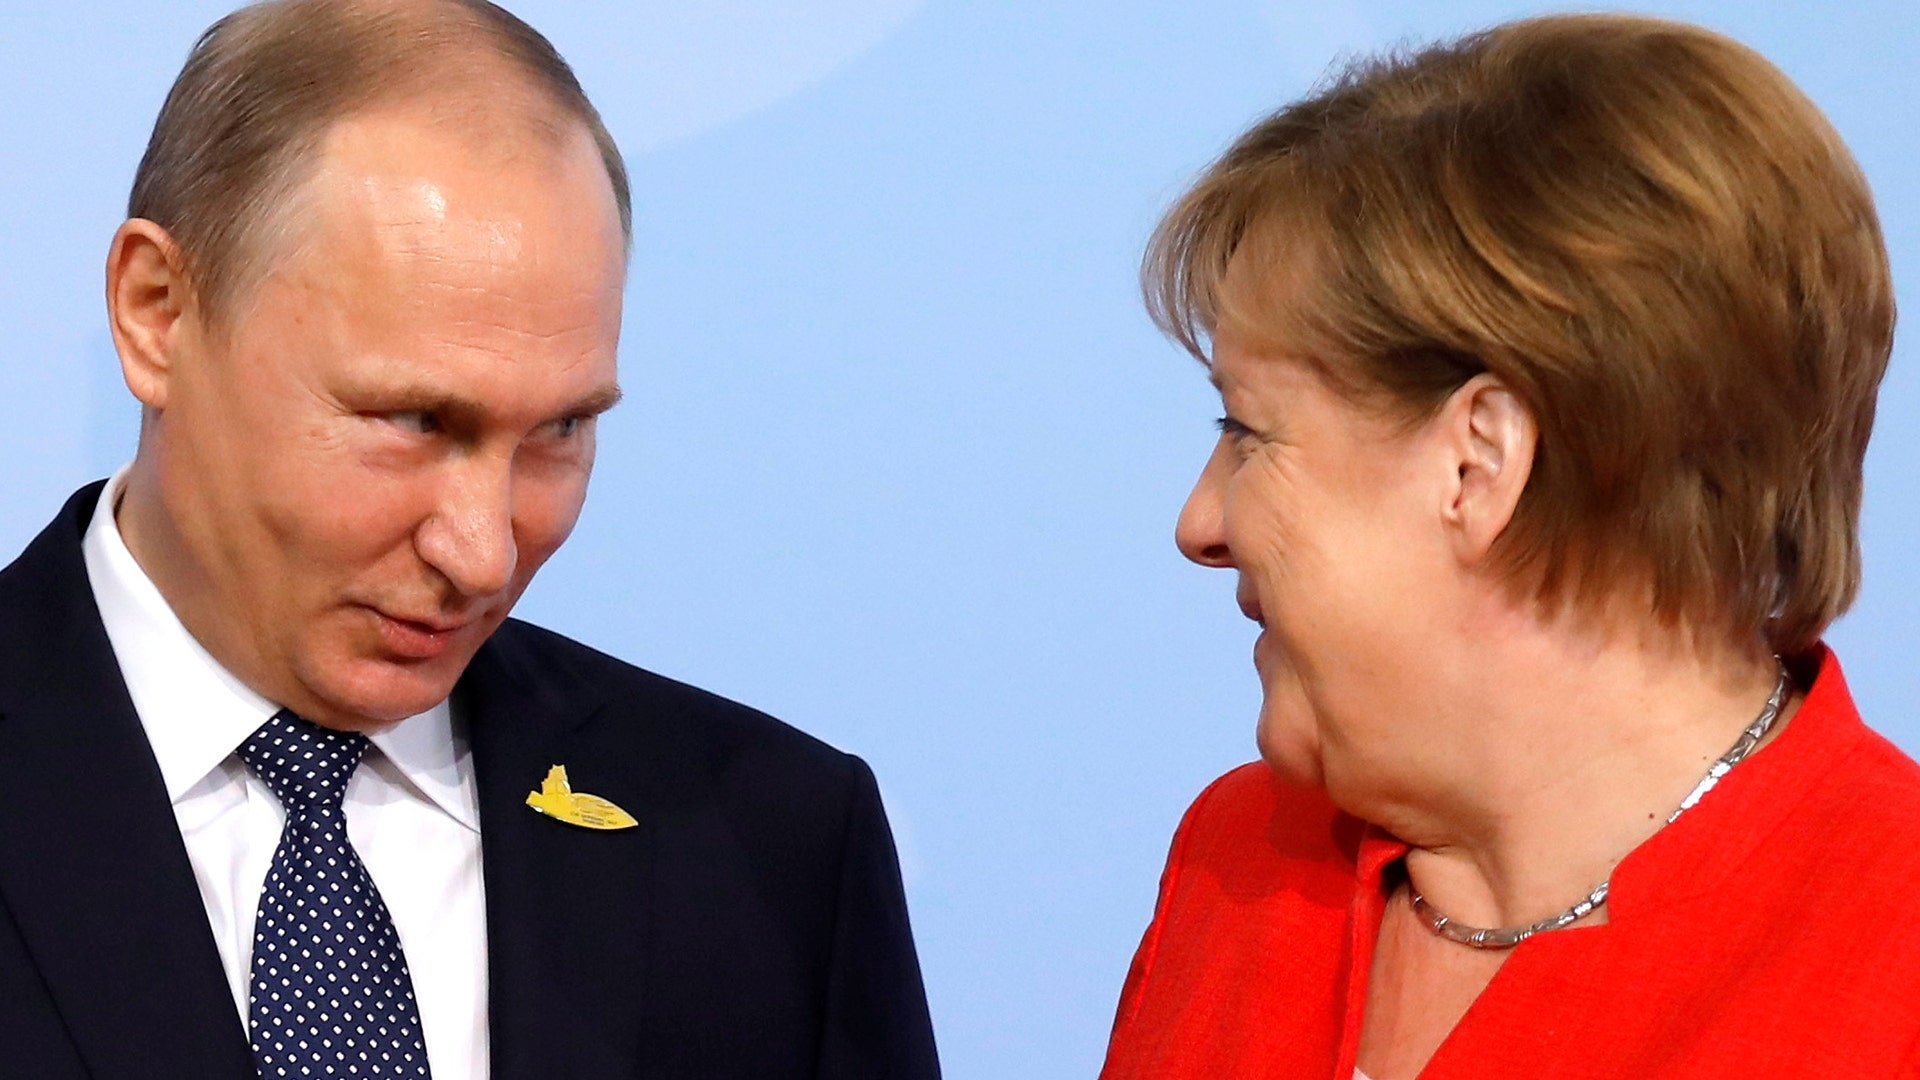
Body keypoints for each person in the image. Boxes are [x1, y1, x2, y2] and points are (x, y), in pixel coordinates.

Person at [0, 2, 940, 1078]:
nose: (484, 554)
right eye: (414, 420)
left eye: (560, 431)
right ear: (157, 311)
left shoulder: (775, 846)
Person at [1099, 14, 1920, 1079]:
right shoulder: (1240, 868)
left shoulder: (1889, 954)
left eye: (1247, 430)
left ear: (1478, 461)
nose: (1199, 524)